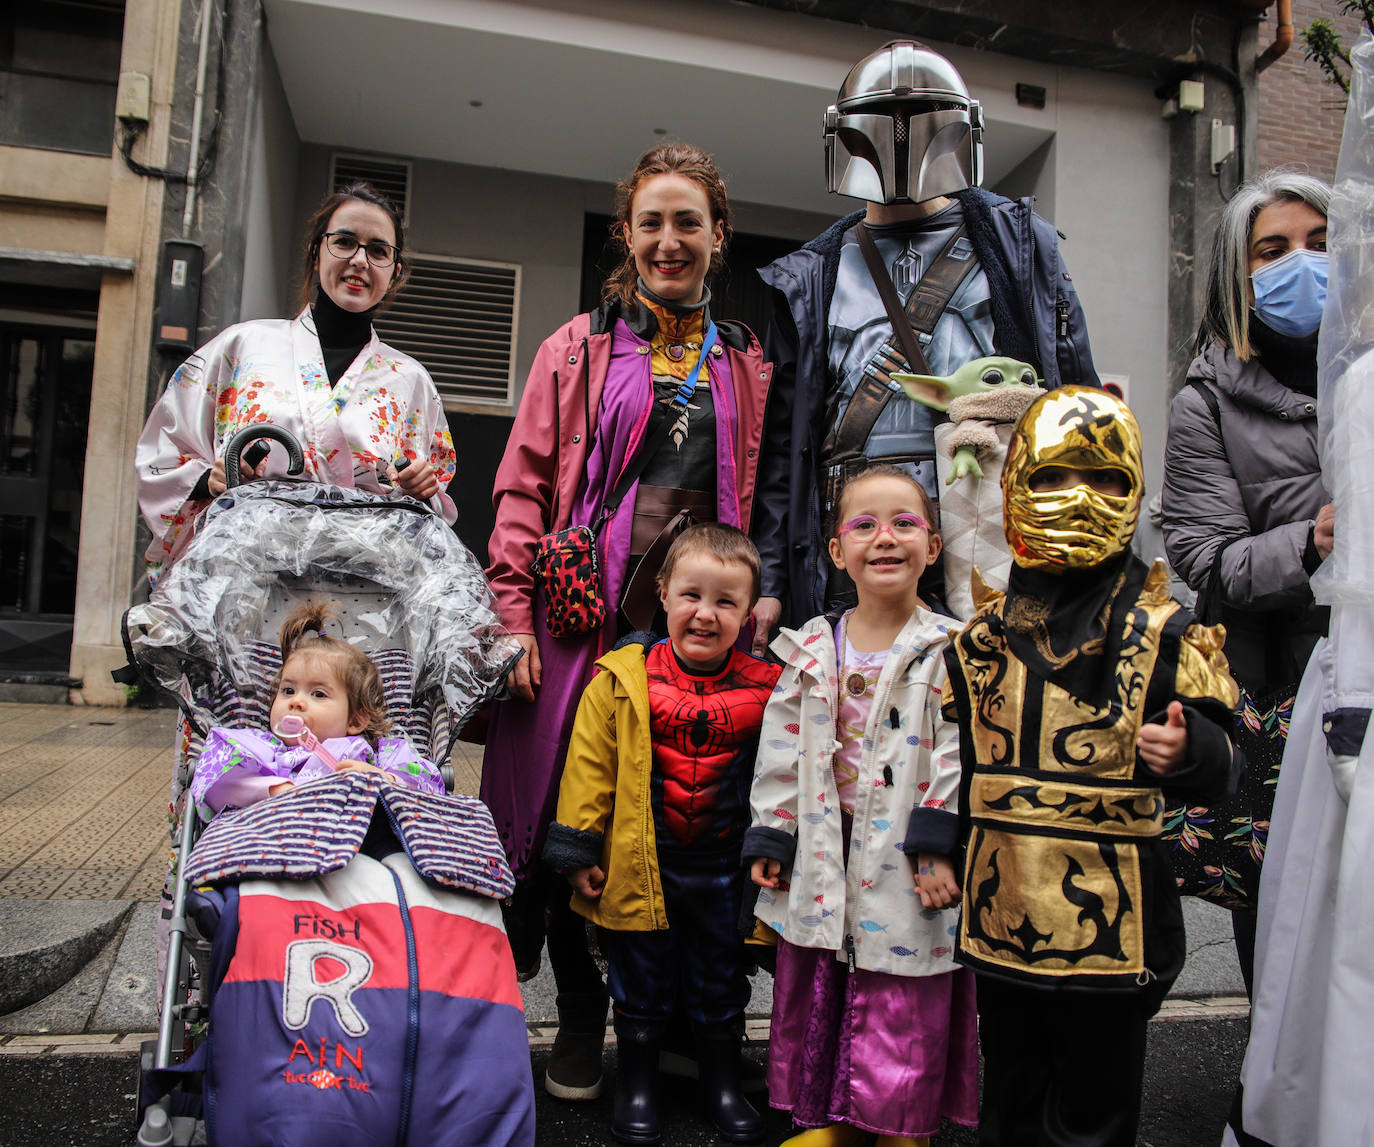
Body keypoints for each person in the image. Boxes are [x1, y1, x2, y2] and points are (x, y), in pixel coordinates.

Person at [480, 143, 775, 1100]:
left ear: (718, 236)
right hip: (586, 629)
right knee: (582, 814)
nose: (668, 240)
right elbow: (522, 488)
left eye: (688, 221)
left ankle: (686, 1018)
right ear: (627, 235)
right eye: (651, 221)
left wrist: (761, 596)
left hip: (700, 628)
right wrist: (512, 616)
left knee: (693, 822)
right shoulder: (576, 347)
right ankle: (581, 1014)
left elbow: (766, 493)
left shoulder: (747, 364)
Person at [942, 386, 1238, 1146]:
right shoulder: (978, 638)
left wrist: (1188, 750)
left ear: (1136, 488)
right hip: (1001, 912)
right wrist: (935, 848)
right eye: (1054, 475)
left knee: (1096, 1108)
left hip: (1118, 925)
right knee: (1009, 1097)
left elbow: (1220, 758)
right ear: (1016, 486)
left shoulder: (1166, 630)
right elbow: (957, 765)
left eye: (1106, 477)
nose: (1081, 496)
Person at [753, 38, 1098, 646]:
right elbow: (784, 449)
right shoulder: (812, 275)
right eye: (884, 122)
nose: (902, 138)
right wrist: (773, 577)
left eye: (920, 120)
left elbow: (1077, 408)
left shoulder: (1018, 248)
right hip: (860, 539)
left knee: (988, 716)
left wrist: (1085, 551)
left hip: (990, 524)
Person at [743, 465, 977, 1147]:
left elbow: (957, 753)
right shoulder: (812, 647)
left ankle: (902, 1123)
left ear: (932, 546)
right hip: (826, 849)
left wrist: (937, 841)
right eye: (864, 524)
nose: (885, 538)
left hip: (906, 858)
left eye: (905, 523)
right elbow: (780, 753)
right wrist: (772, 837)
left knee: (901, 992)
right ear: (836, 550)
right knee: (828, 986)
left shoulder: (948, 649)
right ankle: (837, 1120)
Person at [541, 524, 780, 1144]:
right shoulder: (620, 679)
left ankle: (721, 1082)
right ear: (664, 594)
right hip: (642, 861)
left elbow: (788, 774)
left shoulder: (773, 689)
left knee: (720, 975)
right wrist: (577, 849)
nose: (706, 614)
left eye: (726, 602)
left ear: (750, 613)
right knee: (640, 974)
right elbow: (588, 767)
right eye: (692, 596)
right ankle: (638, 1080)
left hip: (727, 869)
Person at [1160, 169, 1333, 993]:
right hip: (1276, 684)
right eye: (1276, 250)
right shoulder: (1207, 401)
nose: (1304, 263)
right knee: (1281, 895)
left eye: (1321, 243)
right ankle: (1274, 1087)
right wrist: (1314, 540)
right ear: (1238, 271)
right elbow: (1205, 555)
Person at [137, 181, 455, 580]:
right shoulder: (242, 346)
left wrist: (421, 487)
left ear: (395, 273)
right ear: (315, 251)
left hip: (363, 591)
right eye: (344, 242)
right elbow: (164, 452)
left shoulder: (412, 382)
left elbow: (431, 505)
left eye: (378, 251)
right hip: (247, 577)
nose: (360, 260)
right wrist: (208, 479)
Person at [189, 600, 444, 820]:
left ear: (355, 719)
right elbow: (215, 781)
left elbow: (430, 789)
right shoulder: (263, 751)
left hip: (359, 847)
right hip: (278, 843)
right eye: (288, 690)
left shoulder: (381, 755)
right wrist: (277, 789)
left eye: (318, 694)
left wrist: (382, 779)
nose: (296, 702)